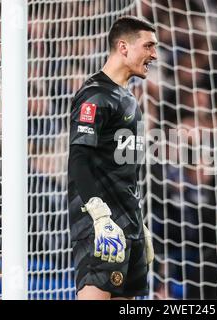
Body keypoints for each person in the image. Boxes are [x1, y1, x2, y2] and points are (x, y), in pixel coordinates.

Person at [67, 16, 158, 300]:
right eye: (149, 46)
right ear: (123, 47)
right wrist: (99, 215)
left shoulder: (128, 99)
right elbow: (79, 159)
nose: (153, 54)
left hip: (128, 224)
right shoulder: (95, 95)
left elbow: (125, 169)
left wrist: (138, 222)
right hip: (101, 224)